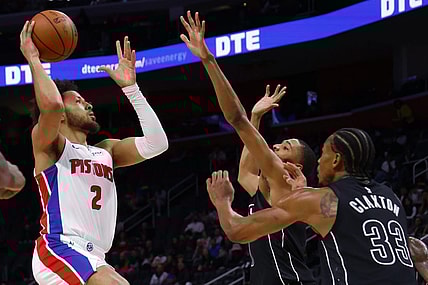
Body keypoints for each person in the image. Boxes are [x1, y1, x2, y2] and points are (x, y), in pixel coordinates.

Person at [179, 11, 416, 284]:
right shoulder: (390, 198)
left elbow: (236, 121)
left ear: (335, 160)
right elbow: (246, 168)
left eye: (323, 154)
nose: (320, 161)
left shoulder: (308, 193)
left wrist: (222, 202)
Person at [20, 21, 168, 284]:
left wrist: (131, 89)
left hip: (96, 255)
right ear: (62, 117)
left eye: (85, 100)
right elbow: (52, 105)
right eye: (77, 100)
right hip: (59, 247)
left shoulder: (106, 150)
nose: (87, 104)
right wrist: (33, 59)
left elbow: (158, 144)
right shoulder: (50, 145)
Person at [237, 85, 316, 284]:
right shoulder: (264, 191)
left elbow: (258, 150)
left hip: (289, 279)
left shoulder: (288, 192)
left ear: (294, 167)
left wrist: (250, 121)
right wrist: (255, 118)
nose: (276, 146)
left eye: (285, 147)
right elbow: (245, 173)